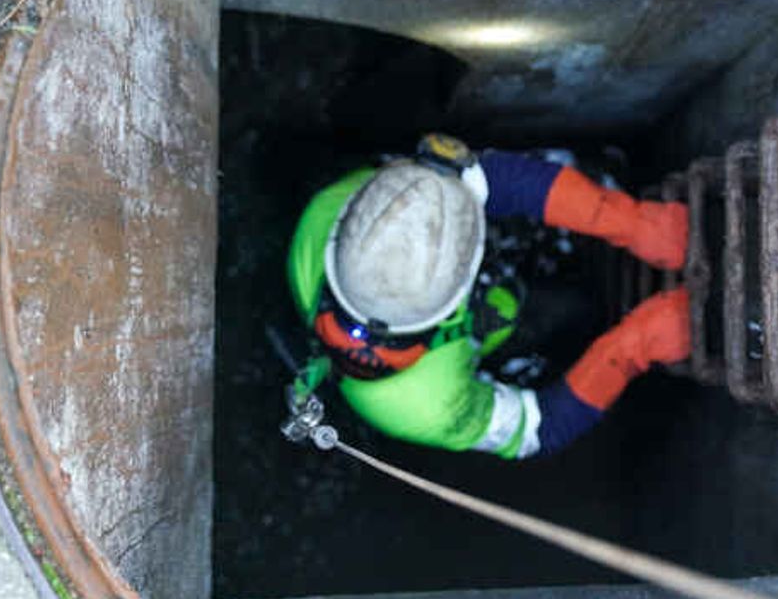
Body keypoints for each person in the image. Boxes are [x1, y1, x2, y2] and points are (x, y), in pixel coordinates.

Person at [285, 134, 691, 459]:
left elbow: (494, 179)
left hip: (463, 301)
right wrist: (634, 347)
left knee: (571, 176)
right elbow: (540, 428)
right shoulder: (430, 406)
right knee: (574, 314)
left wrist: (631, 222)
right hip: (478, 338)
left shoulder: (339, 214)